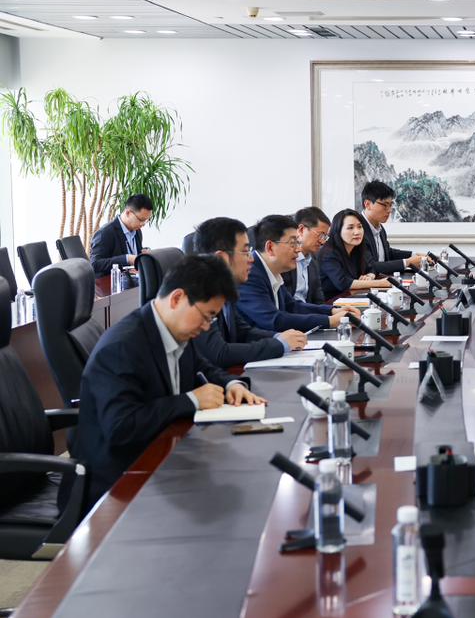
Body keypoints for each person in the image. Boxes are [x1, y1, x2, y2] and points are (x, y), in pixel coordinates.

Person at [70, 255, 265, 504]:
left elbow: (200, 366)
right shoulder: (122, 348)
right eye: (207, 316)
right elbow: (121, 426)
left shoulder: (175, 330)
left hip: (164, 456)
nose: (207, 327)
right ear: (177, 299)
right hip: (118, 485)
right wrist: (191, 400)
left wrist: (231, 384)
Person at [192, 217, 308, 367]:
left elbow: (243, 332)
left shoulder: (223, 288)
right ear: (221, 258)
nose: (251, 259)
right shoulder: (198, 294)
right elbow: (219, 353)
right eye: (246, 252)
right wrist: (279, 345)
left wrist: (279, 337)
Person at [237, 214, 356, 332]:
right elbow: (273, 320)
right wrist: (330, 321)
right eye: (293, 243)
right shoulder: (250, 274)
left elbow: (293, 306)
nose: (298, 249)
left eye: (298, 243)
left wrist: (332, 311)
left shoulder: (271, 270)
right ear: (270, 247)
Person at [319, 208, 392, 298]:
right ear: (338, 230)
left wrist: (370, 276)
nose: (357, 232)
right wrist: (380, 283)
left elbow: (372, 267)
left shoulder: (356, 248)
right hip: (329, 302)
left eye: (359, 227)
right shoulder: (328, 253)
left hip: (350, 298)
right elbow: (343, 283)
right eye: (350, 228)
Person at [359, 180, 426, 275]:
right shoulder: (357, 230)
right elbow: (370, 266)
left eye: (391, 205)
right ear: (368, 204)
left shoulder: (380, 228)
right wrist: (407, 262)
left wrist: (414, 255)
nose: (389, 210)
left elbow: (387, 253)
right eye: (385, 205)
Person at [89, 193, 153, 277]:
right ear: (128, 213)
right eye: (141, 219)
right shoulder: (105, 233)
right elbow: (95, 264)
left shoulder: (137, 231)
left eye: (146, 220)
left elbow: (135, 255)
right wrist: (126, 259)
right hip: (110, 282)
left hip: (132, 280)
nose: (143, 224)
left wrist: (144, 253)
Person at [284, 206, 331, 305]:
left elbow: (318, 300)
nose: (322, 242)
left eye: (325, 237)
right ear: (301, 230)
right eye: (320, 235)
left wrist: (330, 312)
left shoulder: (313, 260)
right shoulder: (285, 260)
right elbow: (287, 304)